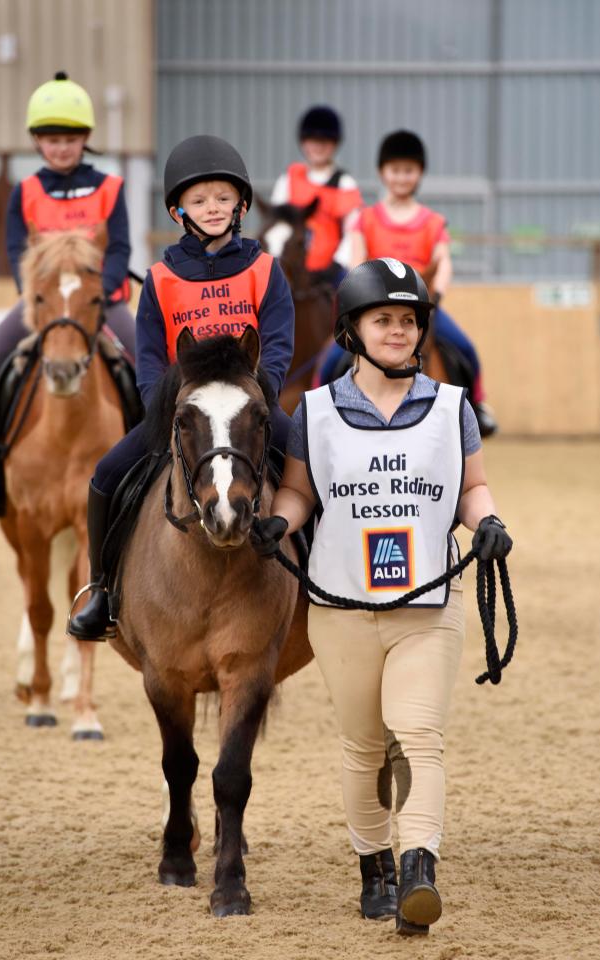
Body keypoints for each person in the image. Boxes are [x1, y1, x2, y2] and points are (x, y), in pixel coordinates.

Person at [251, 258, 512, 934]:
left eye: (407, 319)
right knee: (363, 746)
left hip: (427, 602)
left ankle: (418, 868)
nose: (397, 330)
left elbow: (470, 487)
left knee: (420, 736)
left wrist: (486, 522)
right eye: (383, 319)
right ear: (353, 330)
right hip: (340, 607)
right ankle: (374, 868)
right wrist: (281, 520)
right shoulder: (314, 410)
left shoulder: (452, 407)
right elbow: (301, 491)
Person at [67, 134, 295, 641]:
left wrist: (262, 396)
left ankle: (323, 574)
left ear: (240, 204)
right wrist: (160, 409)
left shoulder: (264, 270)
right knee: (107, 473)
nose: (212, 208)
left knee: (309, 455)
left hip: (248, 406)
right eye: (198, 200)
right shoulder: (161, 277)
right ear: (177, 211)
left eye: (222, 198)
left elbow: (277, 344)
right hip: (185, 411)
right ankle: (102, 589)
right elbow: (148, 357)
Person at [0, 71, 135, 516]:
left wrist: (98, 296)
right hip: (43, 306)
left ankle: (150, 471)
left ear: (85, 138)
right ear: (37, 141)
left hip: (102, 304)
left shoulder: (109, 188)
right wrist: (40, 300)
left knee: (153, 371)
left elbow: (119, 249)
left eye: (70, 138)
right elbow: (18, 251)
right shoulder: (26, 192)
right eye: (51, 138)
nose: (61, 147)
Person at [348, 129, 497, 438]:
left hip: (421, 308)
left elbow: (443, 261)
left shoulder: (432, 221)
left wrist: (437, 294)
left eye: (409, 171)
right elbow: (356, 261)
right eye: (395, 170)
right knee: (334, 357)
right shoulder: (367, 219)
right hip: (377, 307)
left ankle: (478, 406)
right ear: (382, 172)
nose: (402, 177)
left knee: (465, 347)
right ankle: (317, 405)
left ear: (419, 174)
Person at [269, 105, 363, 286]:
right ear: (303, 142)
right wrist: (281, 257)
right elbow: (276, 225)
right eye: (312, 140)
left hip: (330, 273)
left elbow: (352, 230)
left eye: (325, 140)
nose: (318, 146)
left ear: (335, 143)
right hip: (292, 266)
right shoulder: (288, 180)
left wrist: (337, 264)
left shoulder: (345, 183)